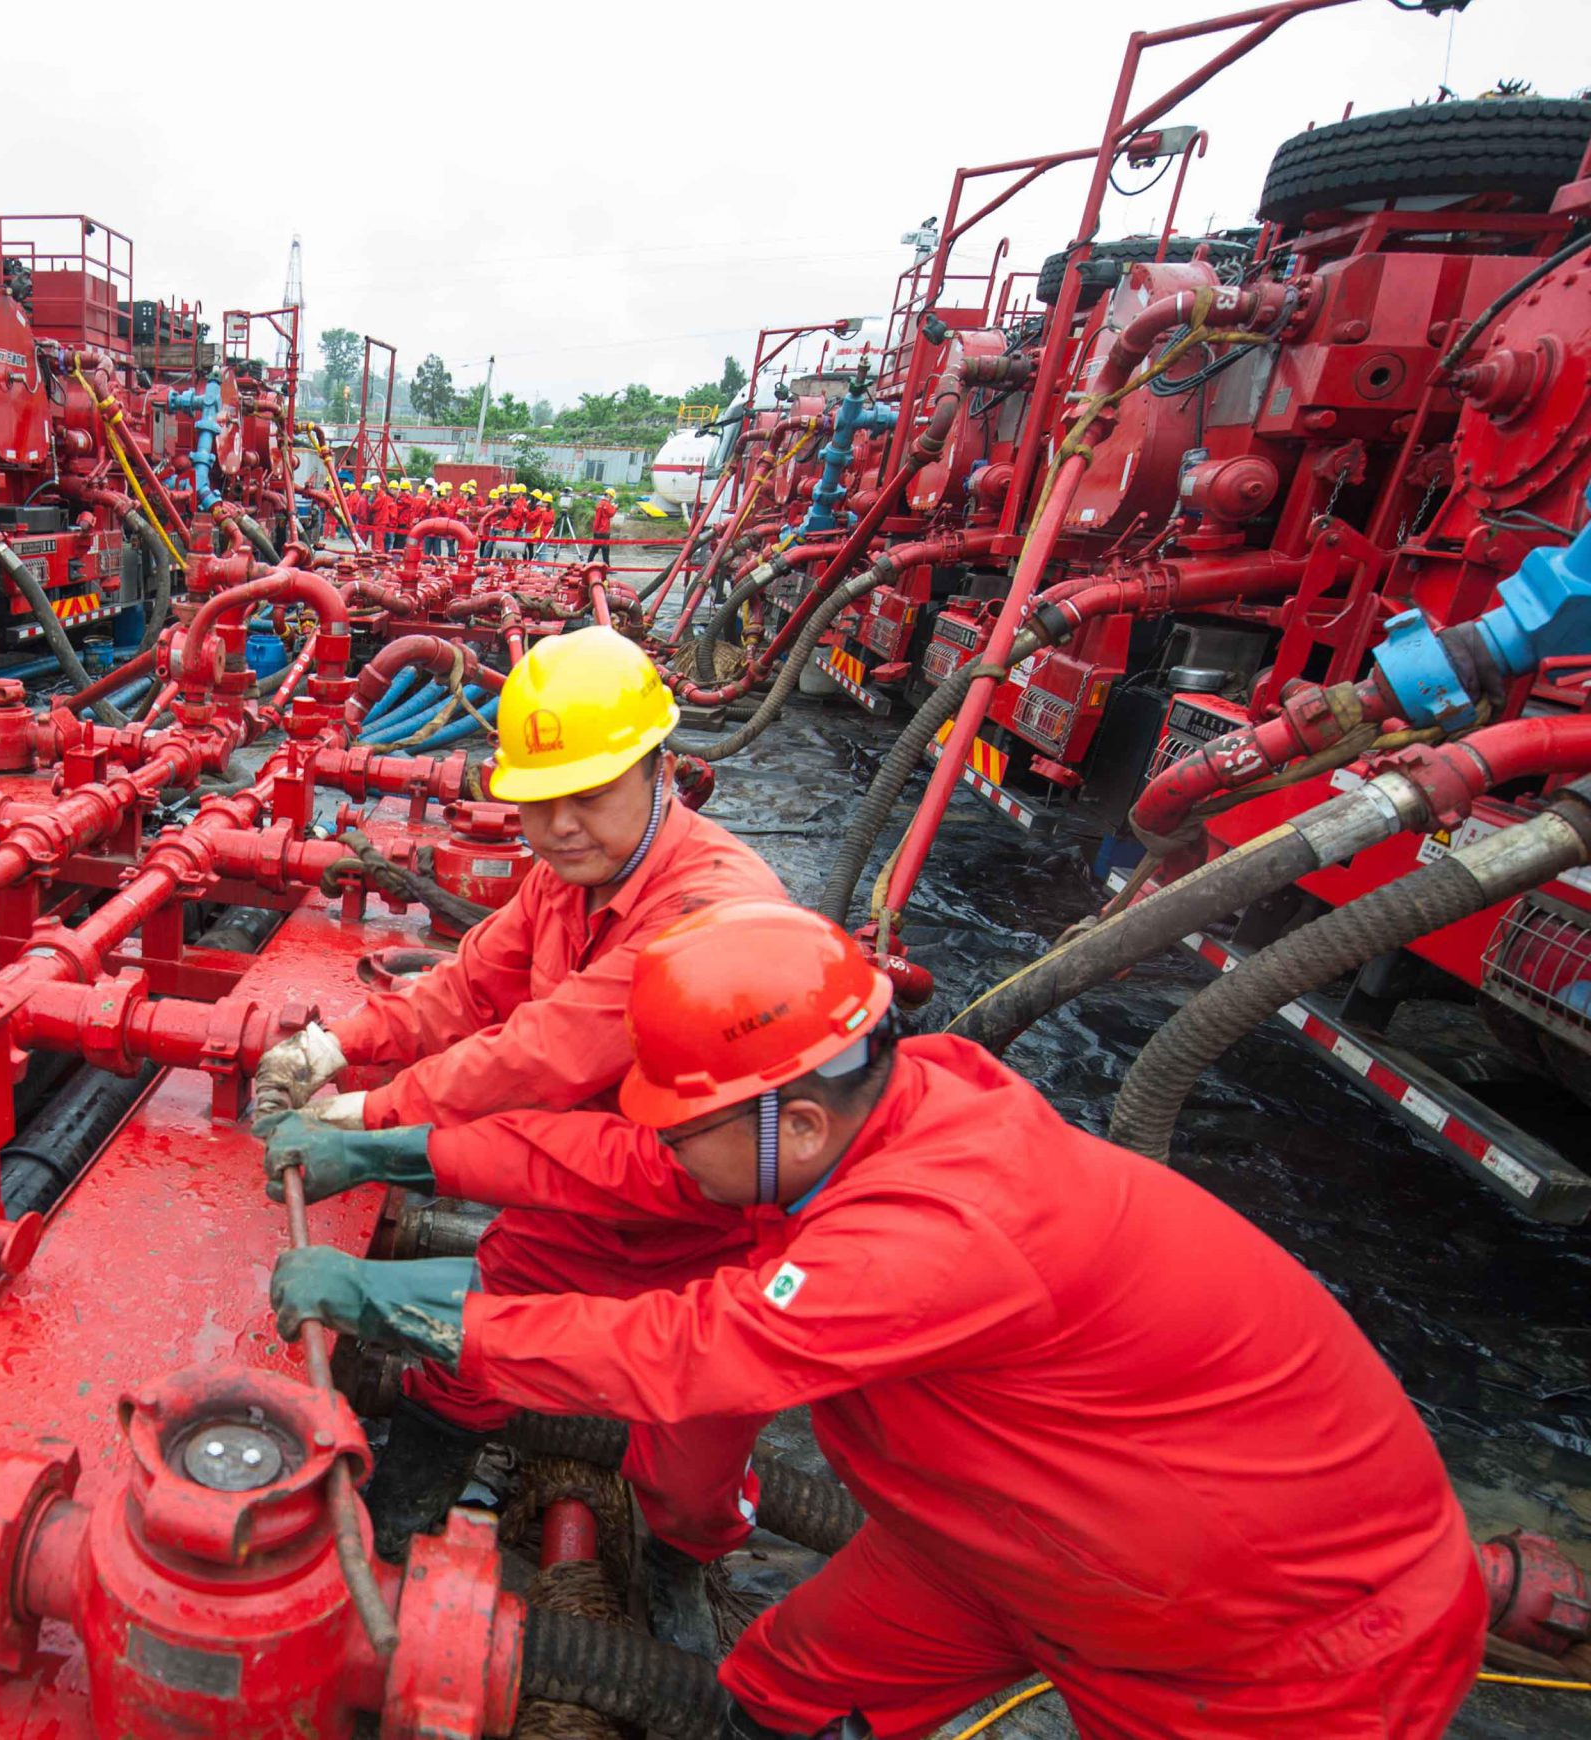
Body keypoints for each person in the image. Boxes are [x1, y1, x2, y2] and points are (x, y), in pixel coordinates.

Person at [272, 900, 1487, 1740]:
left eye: (681, 1123)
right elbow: (625, 1167)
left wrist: (419, 1312)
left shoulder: (939, 1227)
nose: (663, 1147)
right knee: (777, 1688)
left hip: (1265, 1643)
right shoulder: (866, 1119)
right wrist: (413, 1147)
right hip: (1005, 1549)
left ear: (788, 1124)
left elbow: (700, 1352)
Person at [253, 626, 791, 1593]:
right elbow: (470, 988)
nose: (562, 826)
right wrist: (338, 1044)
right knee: (465, 1356)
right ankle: (394, 1529)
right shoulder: (564, 877)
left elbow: (544, 1054)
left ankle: (672, 1578)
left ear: (658, 769)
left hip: (707, 1230)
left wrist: (369, 1118)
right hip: (571, 1196)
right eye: (541, 802)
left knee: (688, 1475)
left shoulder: (709, 905)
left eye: (589, 795)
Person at [589, 486, 619, 574]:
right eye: (612, 497)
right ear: (610, 496)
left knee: (594, 548)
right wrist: (615, 507)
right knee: (605, 549)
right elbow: (611, 513)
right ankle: (607, 567)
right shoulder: (606, 505)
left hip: (597, 530)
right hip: (604, 530)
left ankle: (588, 564)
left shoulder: (599, 504)